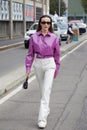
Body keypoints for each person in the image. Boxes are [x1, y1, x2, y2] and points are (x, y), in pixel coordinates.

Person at [25, 15, 60, 129]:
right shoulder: (33, 37)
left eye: (48, 23)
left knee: (46, 90)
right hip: (38, 63)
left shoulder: (54, 37)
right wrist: (28, 69)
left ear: (50, 25)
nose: (46, 25)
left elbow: (57, 55)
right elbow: (30, 55)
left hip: (50, 64)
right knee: (42, 91)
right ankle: (46, 109)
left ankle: (42, 119)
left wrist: (56, 69)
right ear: (40, 23)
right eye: (44, 22)